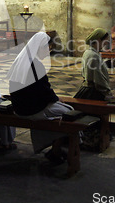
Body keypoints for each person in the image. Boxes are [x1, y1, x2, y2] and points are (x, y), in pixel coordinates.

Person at [7, 32, 73, 164]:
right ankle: (56, 150)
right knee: (69, 113)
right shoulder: (36, 65)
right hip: (31, 109)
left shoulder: (20, 60)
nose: (49, 51)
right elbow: (44, 91)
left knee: (60, 110)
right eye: (48, 47)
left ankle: (53, 148)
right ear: (39, 47)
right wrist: (55, 98)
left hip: (18, 106)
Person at [74, 28, 115, 102]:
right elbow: (98, 78)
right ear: (99, 40)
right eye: (105, 40)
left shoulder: (89, 52)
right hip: (93, 92)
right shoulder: (93, 55)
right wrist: (107, 92)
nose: (106, 43)